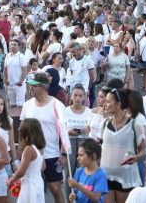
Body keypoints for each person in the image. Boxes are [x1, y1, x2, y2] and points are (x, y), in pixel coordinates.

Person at [20, 73, 68, 203]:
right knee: (31, 188)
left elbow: (64, 132)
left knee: (55, 189)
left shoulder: (57, 105)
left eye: (34, 86)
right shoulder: (27, 105)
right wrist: (21, 150)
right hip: (32, 154)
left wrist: (64, 154)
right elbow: (22, 129)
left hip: (52, 154)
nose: (31, 88)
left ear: (43, 88)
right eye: (31, 86)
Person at [100, 88, 146, 203]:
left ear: (118, 105)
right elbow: (101, 147)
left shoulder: (135, 126)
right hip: (105, 175)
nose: (104, 104)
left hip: (126, 177)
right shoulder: (104, 123)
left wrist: (136, 158)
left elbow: (143, 151)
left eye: (108, 101)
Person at [6, 118, 46, 203]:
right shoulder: (40, 147)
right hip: (38, 181)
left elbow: (21, 172)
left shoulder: (29, 149)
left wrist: (11, 180)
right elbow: (43, 166)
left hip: (29, 184)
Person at [64, 84, 90, 200]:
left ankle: (82, 199)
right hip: (69, 142)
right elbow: (60, 129)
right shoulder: (65, 111)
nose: (77, 98)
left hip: (84, 143)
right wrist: (68, 131)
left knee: (83, 173)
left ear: (84, 97)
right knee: (69, 175)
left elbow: (94, 130)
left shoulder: (89, 112)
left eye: (80, 96)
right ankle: (69, 199)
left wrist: (86, 130)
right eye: (75, 95)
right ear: (71, 96)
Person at [126, 89, 146, 187]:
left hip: (136, 157)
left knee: (137, 187)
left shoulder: (140, 118)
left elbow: (145, 142)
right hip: (125, 156)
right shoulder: (123, 115)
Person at [4, 39, 27, 107]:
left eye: (15, 45)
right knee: (12, 104)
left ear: (18, 47)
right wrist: (6, 80)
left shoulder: (21, 57)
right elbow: (5, 69)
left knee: (20, 105)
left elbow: (25, 70)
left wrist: (20, 81)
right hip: (10, 85)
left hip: (19, 85)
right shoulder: (7, 56)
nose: (13, 46)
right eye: (11, 44)